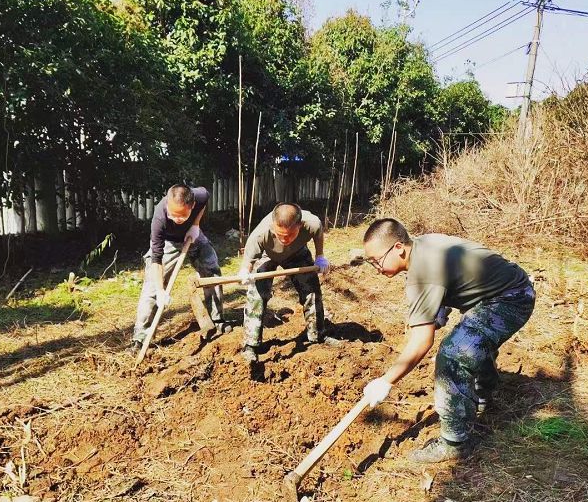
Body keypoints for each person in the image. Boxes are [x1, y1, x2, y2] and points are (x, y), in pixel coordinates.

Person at [360, 218, 535, 463]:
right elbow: (447, 281)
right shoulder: (422, 246)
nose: (375, 267)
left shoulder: (422, 272)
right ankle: (482, 391)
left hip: (511, 298)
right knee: (468, 339)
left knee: (453, 353)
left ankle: (455, 443)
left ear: (399, 248)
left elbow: (423, 340)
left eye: (375, 260)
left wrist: (386, 381)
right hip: (496, 291)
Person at [237, 202, 339, 363]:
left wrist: (320, 256)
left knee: (312, 291)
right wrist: (245, 272)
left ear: (300, 225)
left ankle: (317, 335)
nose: (285, 239)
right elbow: (248, 261)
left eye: (290, 235)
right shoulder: (260, 234)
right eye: (280, 234)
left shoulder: (312, 223)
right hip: (267, 254)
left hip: (298, 252)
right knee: (256, 294)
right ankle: (250, 345)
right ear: (273, 225)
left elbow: (318, 234)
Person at [130, 184, 227, 351]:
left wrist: (195, 225)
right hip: (169, 242)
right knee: (152, 288)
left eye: (182, 216)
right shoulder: (159, 219)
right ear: (167, 204)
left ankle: (217, 320)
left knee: (212, 273)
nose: (176, 219)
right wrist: (161, 291)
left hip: (193, 236)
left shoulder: (200, 196)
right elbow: (156, 258)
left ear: (192, 206)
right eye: (173, 215)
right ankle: (141, 337)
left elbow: (204, 201)